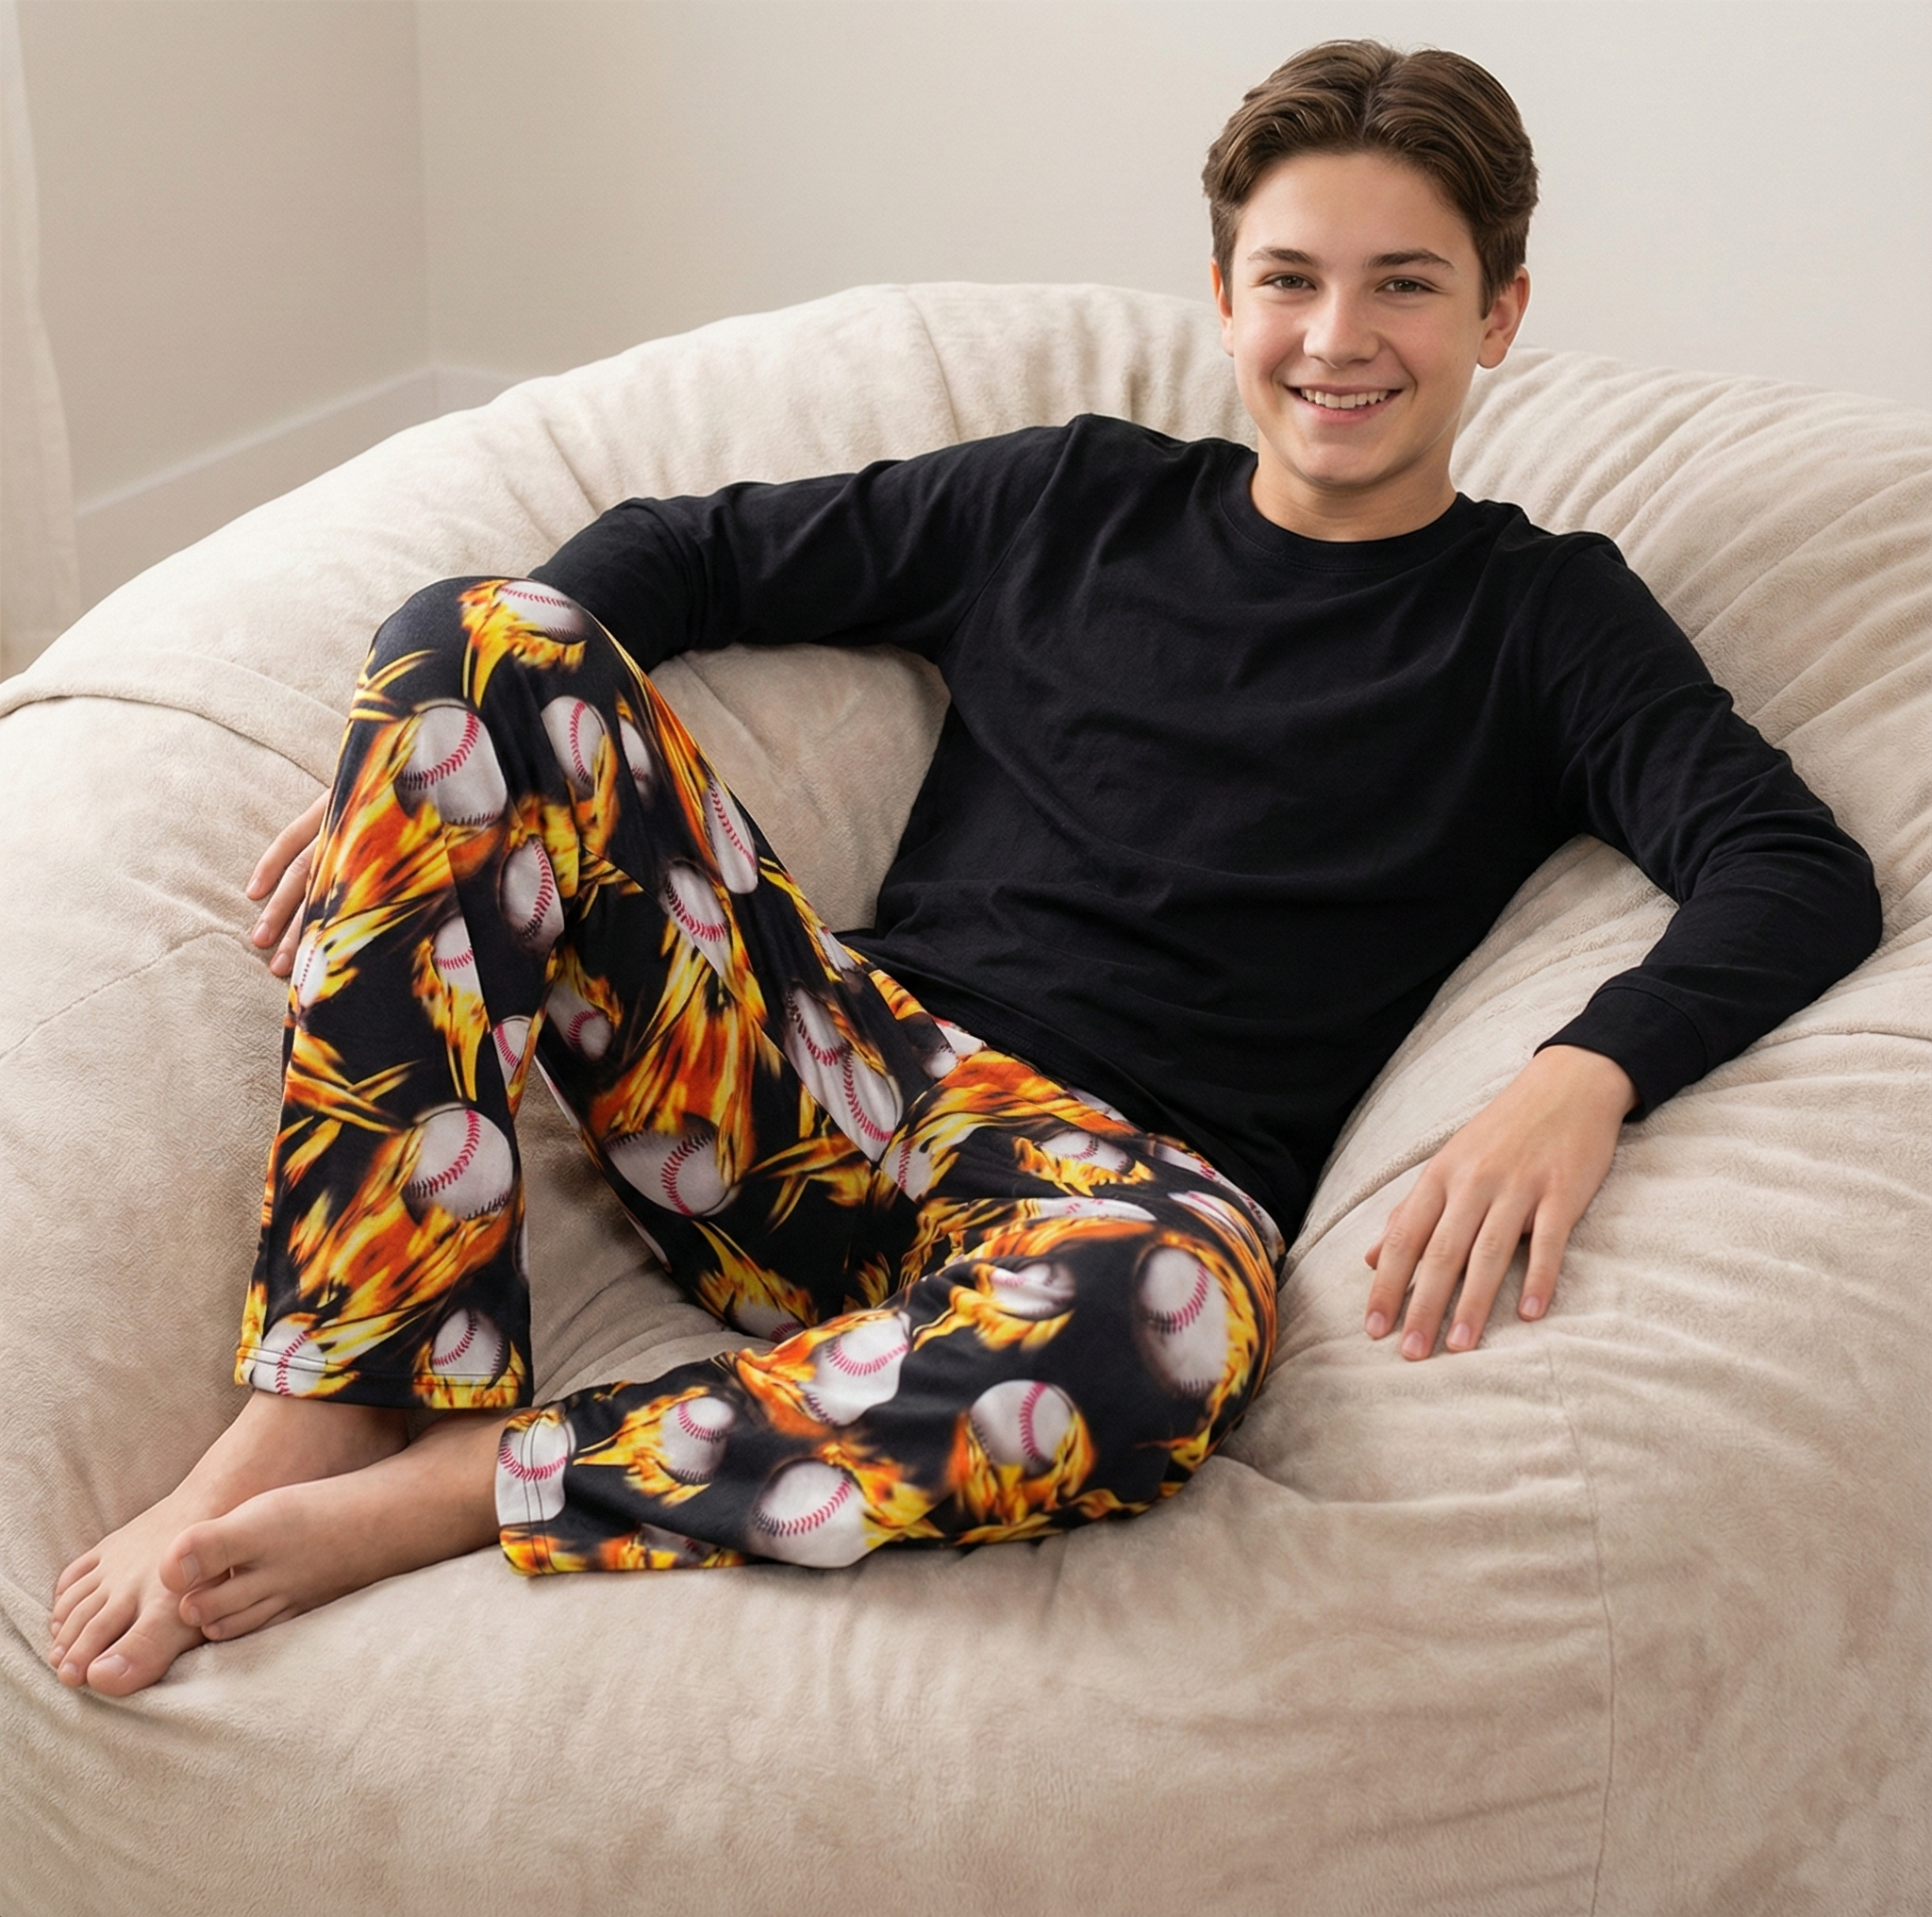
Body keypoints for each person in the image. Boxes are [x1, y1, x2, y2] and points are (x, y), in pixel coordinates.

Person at [48, 40, 1878, 1697]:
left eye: (1406, 284)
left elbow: (1789, 866)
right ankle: (339, 1388)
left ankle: (482, 1480)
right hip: (821, 1083)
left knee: (1162, 1340)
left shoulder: (1544, 618)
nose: (1340, 337)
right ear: (1226, 299)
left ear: (1500, 314)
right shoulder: (1072, 496)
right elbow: (682, 552)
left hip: (1112, 1196)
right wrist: (435, 764)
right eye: (1291, 281)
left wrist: (1582, 1074)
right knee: (467, 635)